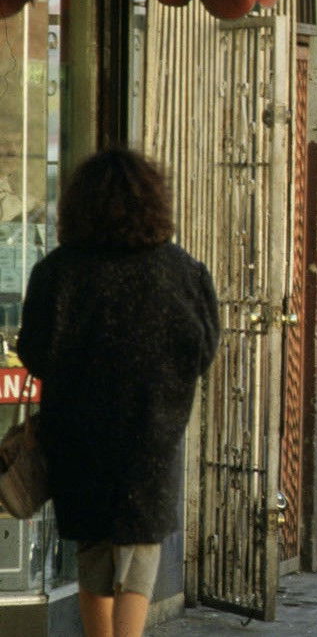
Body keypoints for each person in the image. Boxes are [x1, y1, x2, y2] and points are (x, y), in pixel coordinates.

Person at [17, 149, 220, 636]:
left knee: (93, 551)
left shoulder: (59, 272)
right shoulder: (183, 272)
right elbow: (203, 350)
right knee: (140, 555)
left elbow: (34, 352)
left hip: (79, 436)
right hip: (153, 435)